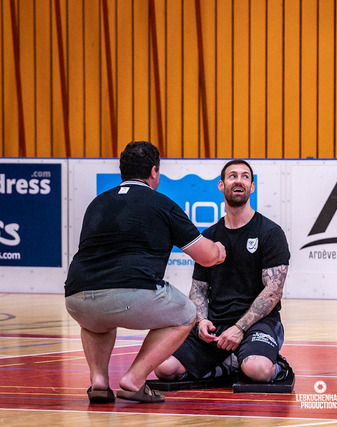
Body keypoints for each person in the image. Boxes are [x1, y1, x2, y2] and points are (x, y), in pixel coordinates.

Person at [65, 141, 226, 404]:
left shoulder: (97, 203)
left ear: (123, 171)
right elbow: (207, 257)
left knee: (96, 323)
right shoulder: (162, 204)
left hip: (77, 298)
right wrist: (219, 249)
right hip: (132, 293)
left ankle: (99, 382)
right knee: (187, 314)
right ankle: (135, 379)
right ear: (154, 171)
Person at [155, 159, 291, 384]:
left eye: (245, 177)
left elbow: (273, 291)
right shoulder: (209, 236)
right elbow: (198, 289)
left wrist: (239, 328)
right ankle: (230, 364)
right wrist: (201, 322)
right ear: (221, 185)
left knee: (258, 370)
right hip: (217, 323)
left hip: (258, 323)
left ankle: (278, 367)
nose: (239, 181)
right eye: (232, 176)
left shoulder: (270, 233)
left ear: (252, 187)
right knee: (165, 368)